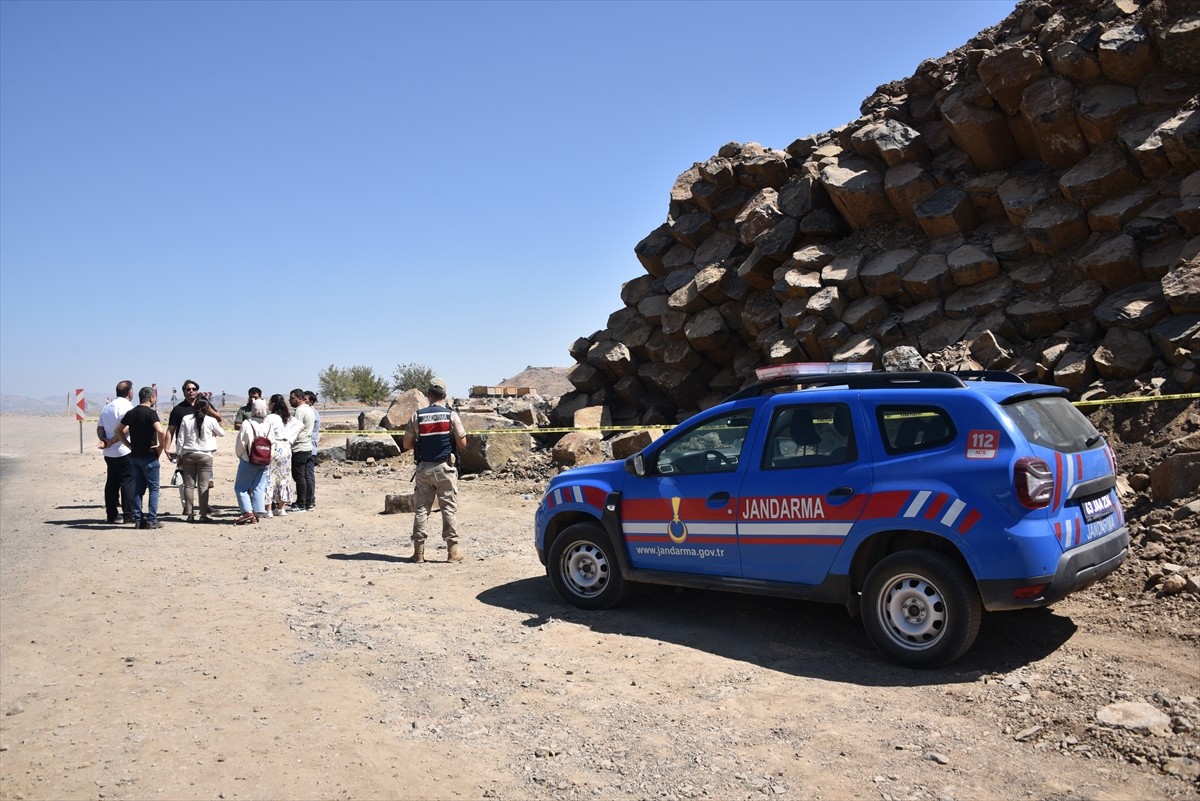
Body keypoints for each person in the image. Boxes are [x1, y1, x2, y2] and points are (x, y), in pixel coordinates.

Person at [402, 377, 467, 563]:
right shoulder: (451, 415)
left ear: (428, 395)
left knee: (421, 510)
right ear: (444, 395)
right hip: (445, 468)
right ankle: (452, 553)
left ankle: (418, 553)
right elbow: (462, 443)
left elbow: (407, 443)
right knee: (449, 509)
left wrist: (423, 445)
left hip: (424, 468)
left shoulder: (417, 416)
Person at [114, 386, 168, 529]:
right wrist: (161, 447)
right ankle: (151, 519)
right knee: (154, 489)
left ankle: (138, 520)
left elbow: (118, 430)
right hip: (149, 456)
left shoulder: (131, 413)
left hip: (135, 456)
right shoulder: (151, 413)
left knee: (138, 489)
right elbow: (161, 430)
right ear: (151, 398)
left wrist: (129, 445)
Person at [166, 380, 222, 511]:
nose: (191, 391)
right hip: (186, 449)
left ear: (197, 390)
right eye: (188, 389)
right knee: (186, 481)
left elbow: (219, 419)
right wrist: (166, 448)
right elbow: (171, 430)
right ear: (184, 392)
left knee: (204, 481)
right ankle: (187, 507)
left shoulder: (204, 405)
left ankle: (204, 506)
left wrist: (209, 410)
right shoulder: (178, 410)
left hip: (204, 449)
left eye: (193, 389)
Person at [172, 396, 224, 523]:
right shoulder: (211, 420)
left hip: (188, 454)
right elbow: (222, 433)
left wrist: (178, 455)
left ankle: (190, 514)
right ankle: (203, 515)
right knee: (203, 486)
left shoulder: (186, 419)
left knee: (189, 486)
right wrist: (214, 415)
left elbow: (180, 439)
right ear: (207, 408)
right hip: (205, 455)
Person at [96, 380, 135, 524]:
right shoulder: (127, 407)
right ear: (130, 392)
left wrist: (104, 441)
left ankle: (111, 514)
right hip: (123, 450)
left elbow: (99, 428)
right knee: (128, 481)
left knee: (112, 483)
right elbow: (126, 428)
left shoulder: (107, 408)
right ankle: (129, 514)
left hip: (109, 453)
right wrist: (112, 441)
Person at [233, 399, 274, 525]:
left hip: (249, 460)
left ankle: (247, 512)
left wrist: (240, 456)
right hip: (265, 460)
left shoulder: (247, 423)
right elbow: (273, 443)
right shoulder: (268, 425)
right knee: (259, 487)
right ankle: (257, 511)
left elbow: (241, 443)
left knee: (241, 488)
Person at [263, 393, 299, 518]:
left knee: (269, 478)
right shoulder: (289, 418)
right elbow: (299, 426)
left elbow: (265, 432)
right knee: (284, 478)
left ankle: (268, 509)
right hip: (286, 449)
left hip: (274, 448)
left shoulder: (270, 418)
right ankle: (281, 507)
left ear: (273, 404)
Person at [288, 388, 315, 512]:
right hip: (307, 446)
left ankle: (301, 503)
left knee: (299, 476)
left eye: (292, 398)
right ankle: (309, 502)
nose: (290, 401)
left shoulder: (299, 411)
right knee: (306, 476)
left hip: (300, 447)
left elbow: (295, 429)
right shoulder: (309, 409)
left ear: (299, 398)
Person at [304, 390, 321, 509]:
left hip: (309, 448)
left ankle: (310, 500)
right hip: (307, 447)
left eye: (305, 399)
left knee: (308, 474)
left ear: (311, 401)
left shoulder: (311, 413)